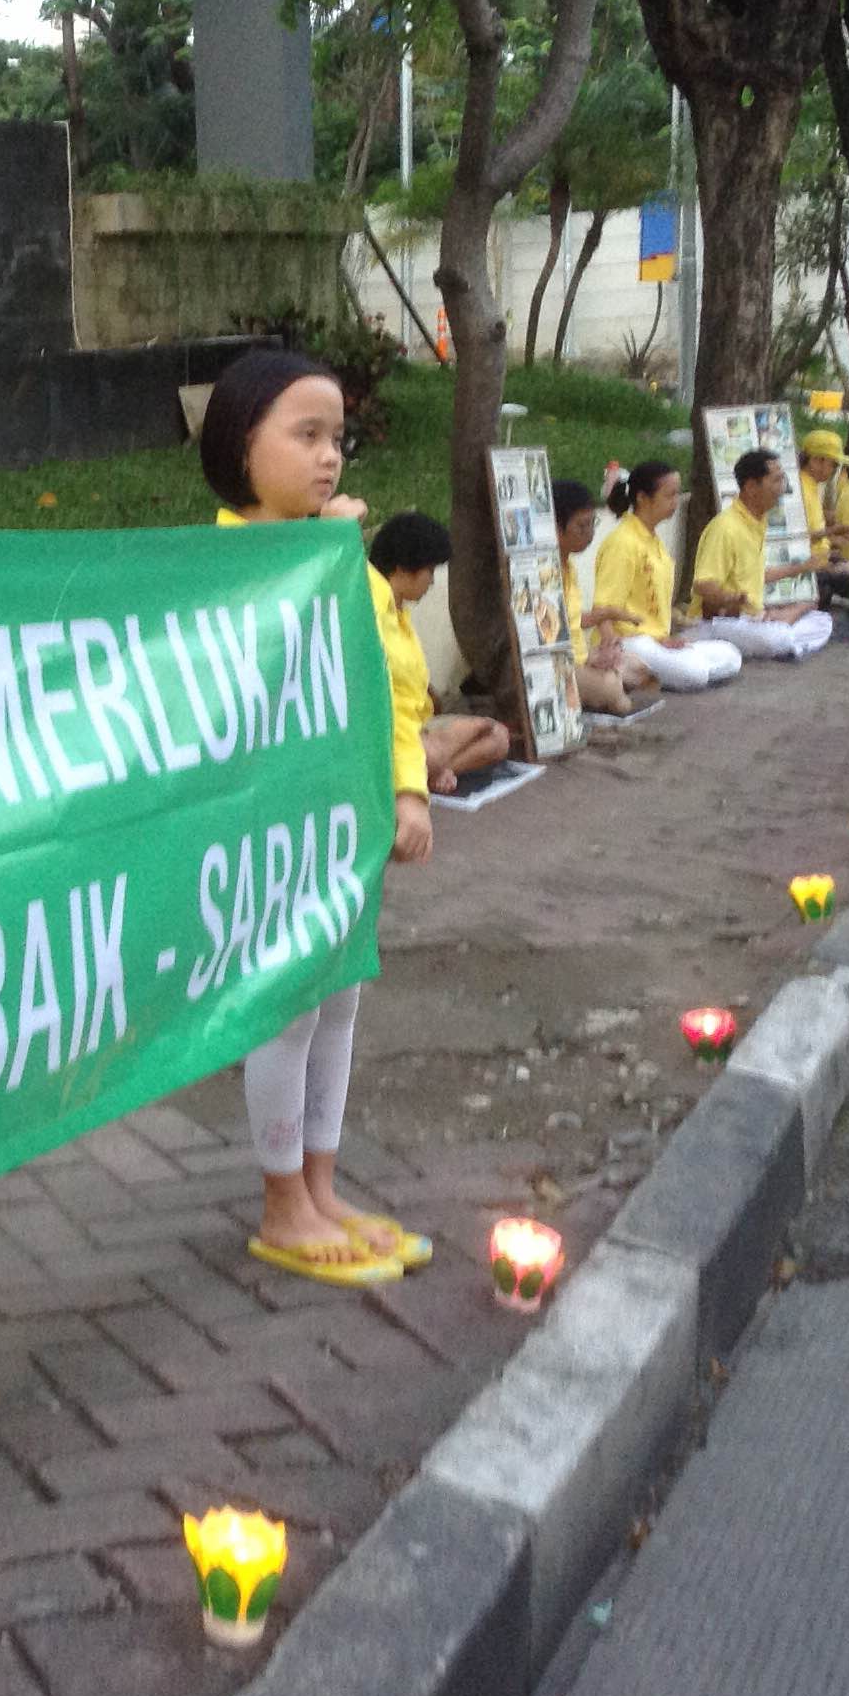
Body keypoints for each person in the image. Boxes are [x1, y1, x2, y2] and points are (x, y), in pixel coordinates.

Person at [202, 351, 429, 1287]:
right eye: (305, 435)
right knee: (287, 1011)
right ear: (238, 445)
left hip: (347, 825)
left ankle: (322, 1188)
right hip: (268, 833)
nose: (330, 457)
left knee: (341, 997)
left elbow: (396, 687)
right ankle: (279, 1203)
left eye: (338, 438)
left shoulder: (350, 567)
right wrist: (327, 556)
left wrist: (407, 788)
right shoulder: (218, 566)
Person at [366, 513, 514, 789]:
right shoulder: (370, 607)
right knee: (473, 730)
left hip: (420, 729)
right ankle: (423, 769)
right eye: (430, 572)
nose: (432, 582)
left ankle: (430, 771)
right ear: (403, 567)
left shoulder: (399, 612)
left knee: (497, 737)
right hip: (393, 738)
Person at [592, 461, 742, 691]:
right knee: (695, 672)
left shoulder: (652, 539)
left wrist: (664, 639)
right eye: (669, 495)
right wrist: (612, 647)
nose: (675, 502)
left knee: (731, 655)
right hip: (630, 641)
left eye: (677, 495)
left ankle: (659, 671)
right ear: (642, 498)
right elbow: (603, 608)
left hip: (656, 640)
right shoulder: (622, 542)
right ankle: (640, 671)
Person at [689, 450, 834, 660]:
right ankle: (784, 630)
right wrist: (733, 599)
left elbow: (758, 575)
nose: (782, 487)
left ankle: (782, 630)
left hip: (752, 620)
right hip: (718, 622)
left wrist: (800, 568)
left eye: (782, 479)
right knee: (780, 637)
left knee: (822, 621)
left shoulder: (757, 521)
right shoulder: (725, 527)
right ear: (750, 487)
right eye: (776, 480)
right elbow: (703, 585)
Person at [552, 480, 656, 714]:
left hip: (583, 657)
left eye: (592, 524)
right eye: (581, 527)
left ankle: (605, 683)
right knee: (619, 700)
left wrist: (605, 621)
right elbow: (552, 629)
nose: (589, 535)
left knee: (641, 669)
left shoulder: (569, 566)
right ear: (556, 529)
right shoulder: (546, 573)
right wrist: (591, 660)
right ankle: (605, 687)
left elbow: (574, 618)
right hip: (562, 665)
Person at [794, 429, 849, 602]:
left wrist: (832, 543)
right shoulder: (800, 490)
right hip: (810, 568)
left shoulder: (811, 486)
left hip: (823, 562)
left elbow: (815, 533)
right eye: (834, 465)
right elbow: (796, 539)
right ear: (816, 461)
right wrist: (832, 532)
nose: (834, 471)